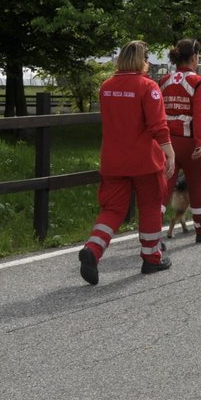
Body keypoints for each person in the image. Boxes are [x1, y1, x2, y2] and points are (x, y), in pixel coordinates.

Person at [79, 40, 175, 284]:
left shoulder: (106, 87)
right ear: (140, 60)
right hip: (144, 160)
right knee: (151, 205)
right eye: (147, 59)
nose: (148, 63)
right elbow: (158, 125)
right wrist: (170, 153)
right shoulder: (148, 86)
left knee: (112, 209)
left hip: (113, 160)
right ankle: (152, 257)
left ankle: (93, 248)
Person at [159, 38, 201, 243]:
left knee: (164, 186)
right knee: (196, 186)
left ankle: (151, 231)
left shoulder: (164, 80)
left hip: (167, 143)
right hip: (189, 142)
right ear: (194, 57)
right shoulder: (197, 82)